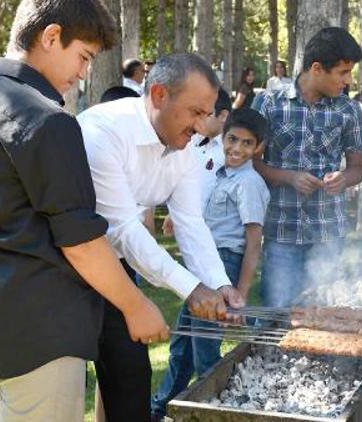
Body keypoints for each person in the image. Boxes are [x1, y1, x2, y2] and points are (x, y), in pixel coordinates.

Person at [0, 1, 169, 420]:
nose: (83, 72)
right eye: (83, 56)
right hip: (41, 337)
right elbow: (80, 239)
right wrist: (136, 306)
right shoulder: (48, 120)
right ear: (50, 37)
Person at [77, 53, 245, 421]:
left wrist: (218, 284)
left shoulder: (185, 145)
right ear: (157, 95)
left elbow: (189, 222)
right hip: (67, 266)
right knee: (70, 382)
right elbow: (122, 229)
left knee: (130, 375)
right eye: (195, 113)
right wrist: (190, 289)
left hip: (116, 265)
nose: (202, 127)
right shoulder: (102, 132)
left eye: (207, 114)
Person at [151, 108, 270, 420]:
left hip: (225, 269)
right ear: (223, 137)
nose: (237, 149)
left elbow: (253, 242)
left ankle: (221, 411)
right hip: (200, 267)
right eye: (232, 139)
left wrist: (240, 292)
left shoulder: (250, 184)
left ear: (258, 148)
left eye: (247, 143)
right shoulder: (214, 167)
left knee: (205, 351)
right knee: (182, 345)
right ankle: (162, 407)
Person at [252, 27, 362, 307]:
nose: (348, 80)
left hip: (329, 233)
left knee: (322, 318)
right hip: (281, 232)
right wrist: (287, 177)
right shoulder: (268, 103)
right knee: (276, 316)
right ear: (317, 68)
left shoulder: (348, 110)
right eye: (343, 72)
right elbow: (249, 162)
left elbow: (357, 168)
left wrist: (343, 178)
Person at [161, 87, 233, 237]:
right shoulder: (195, 143)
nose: (198, 122)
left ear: (223, 116)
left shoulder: (231, 153)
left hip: (220, 236)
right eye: (196, 114)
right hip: (193, 230)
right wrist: (175, 214)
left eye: (206, 115)